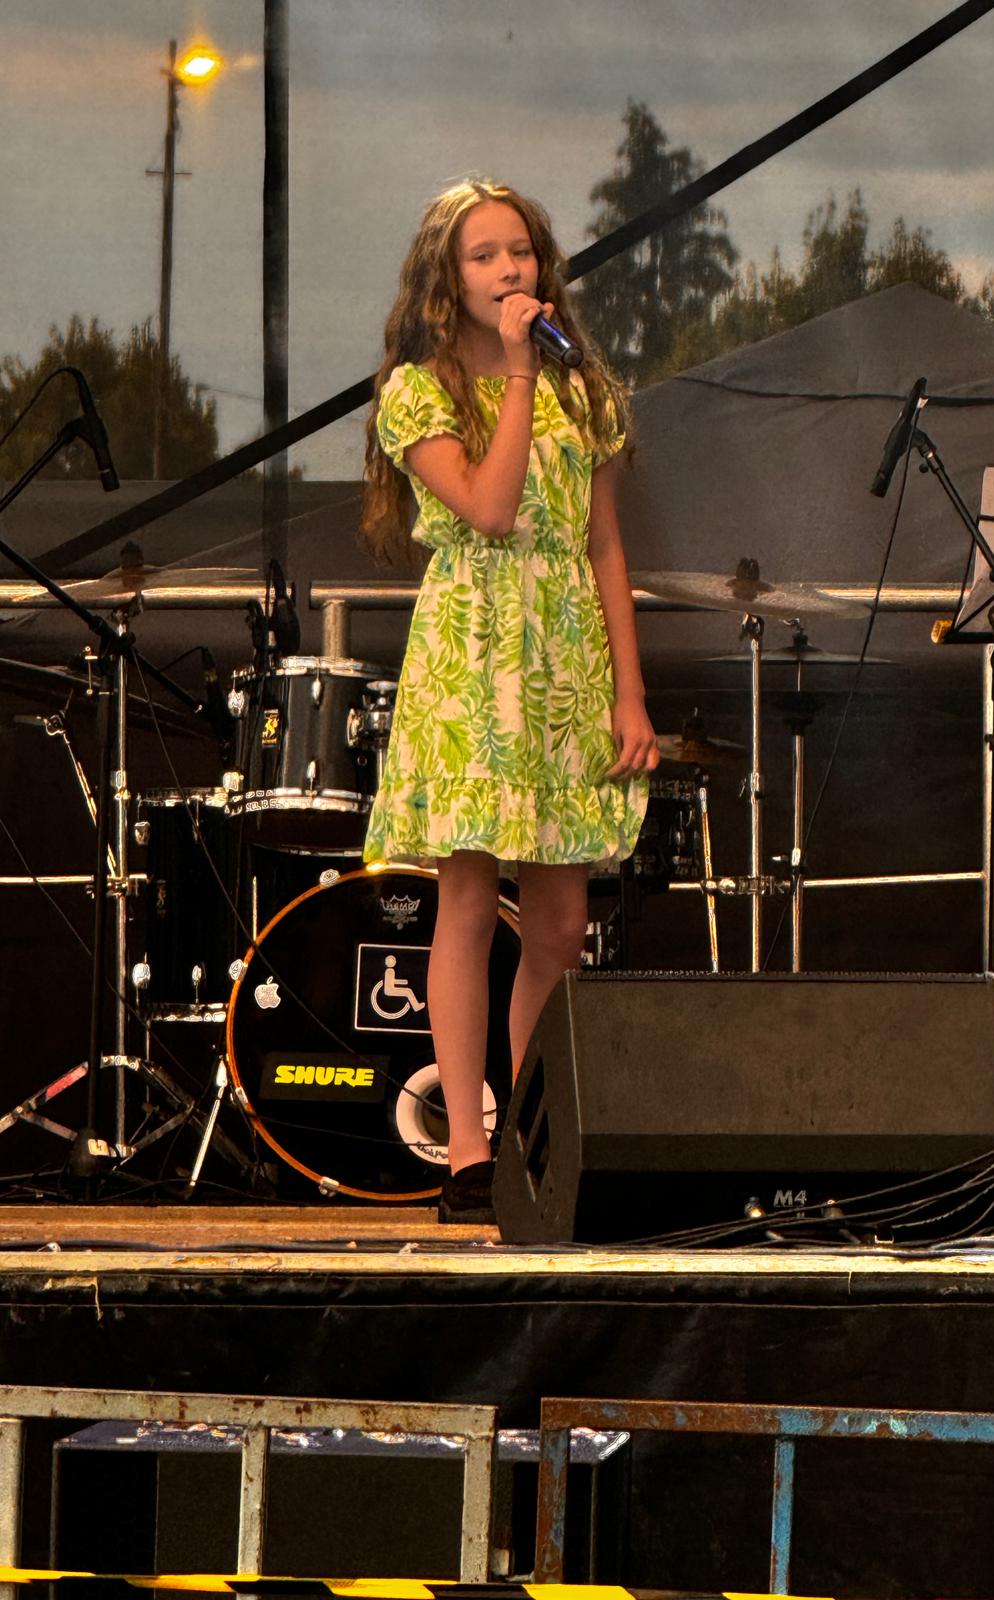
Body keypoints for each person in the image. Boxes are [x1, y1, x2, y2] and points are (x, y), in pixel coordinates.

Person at [361, 177, 658, 1220]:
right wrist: (522, 368)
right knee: (469, 898)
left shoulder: (587, 391)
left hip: (565, 655)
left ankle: (536, 1136)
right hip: (474, 655)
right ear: (448, 277)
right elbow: (489, 510)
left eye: (521, 251)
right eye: (485, 255)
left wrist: (629, 692)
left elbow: (605, 544)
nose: (509, 269)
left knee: (562, 920)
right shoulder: (420, 392)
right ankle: (467, 1152)